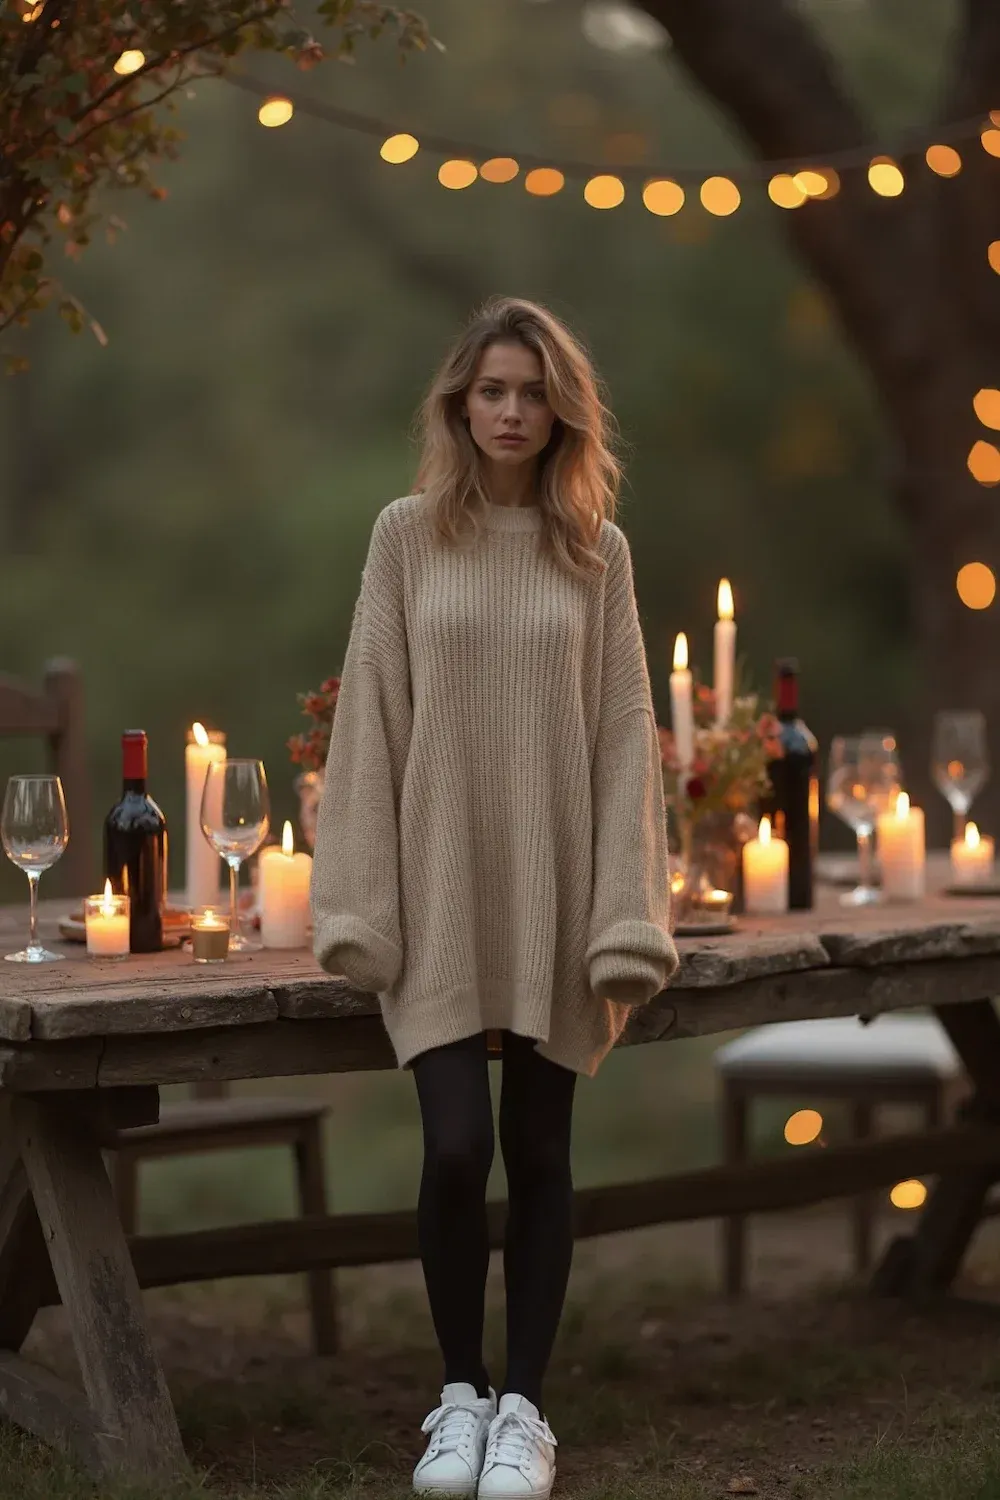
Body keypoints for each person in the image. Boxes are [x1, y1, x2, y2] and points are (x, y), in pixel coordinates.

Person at [310, 295, 679, 1499]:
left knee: (541, 1150)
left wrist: (628, 910)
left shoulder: (598, 551)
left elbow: (627, 731)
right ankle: (458, 1396)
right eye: (491, 392)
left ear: (560, 408)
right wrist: (361, 903)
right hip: (442, 889)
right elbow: (367, 721)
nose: (512, 412)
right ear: (459, 406)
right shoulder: (405, 536)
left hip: (560, 891)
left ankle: (527, 1409)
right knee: (458, 1148)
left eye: (531, 392)